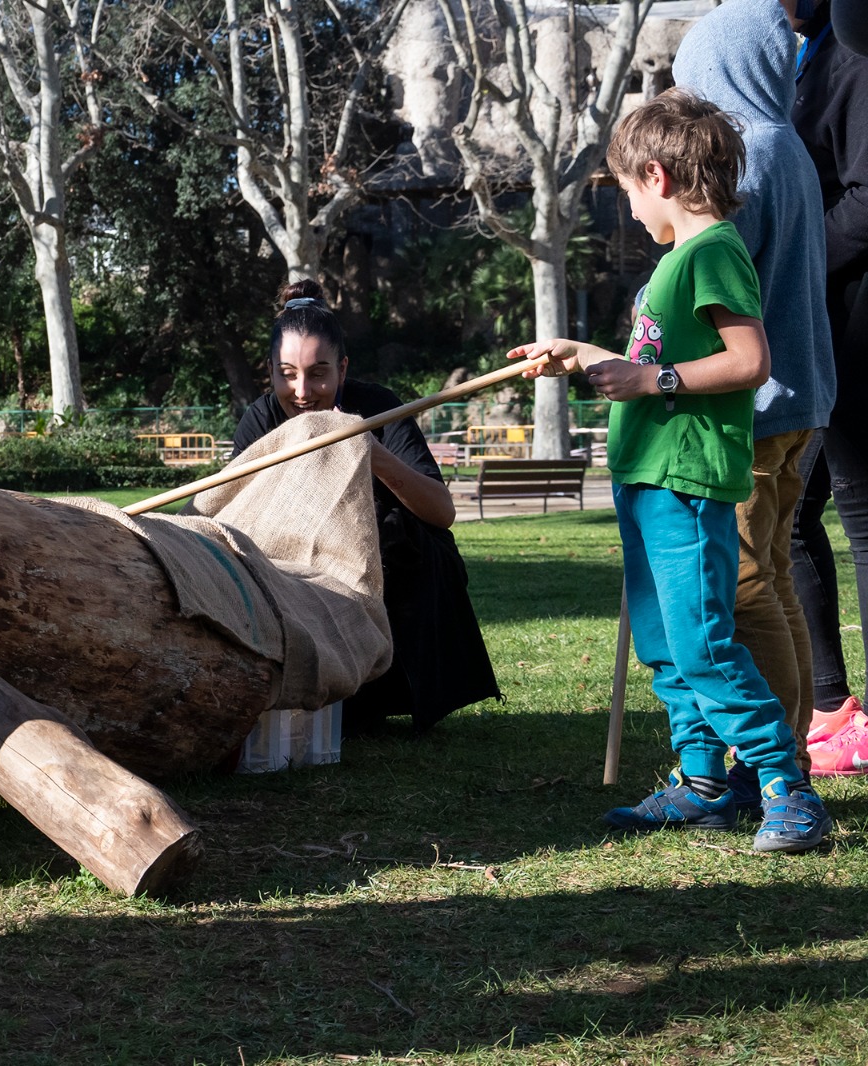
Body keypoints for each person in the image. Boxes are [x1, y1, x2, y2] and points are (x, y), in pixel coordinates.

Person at [508, 88, 830, 853]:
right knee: (664, 644)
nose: (629, 210)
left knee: (704, 645)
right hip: (650, 480)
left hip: (686, 485)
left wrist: (651, 382)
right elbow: (651, 361)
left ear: (654, 176)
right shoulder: (681, 262)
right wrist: (586, 357)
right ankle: (702, 784)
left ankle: (787, 787)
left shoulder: (712, 252)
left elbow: (749, 361)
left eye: (623, 192)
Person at [671, 0, 836, 801]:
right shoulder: (789, 147)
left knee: (741, 585)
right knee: (771, 574)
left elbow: (723, 287)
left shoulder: (753, 157)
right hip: (803, 400)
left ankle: (773, 765)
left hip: (760, 408)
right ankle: (788, 751)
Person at [233, 280, 500, 733]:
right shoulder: (260, 419)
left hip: (378, 558)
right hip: (289, 559)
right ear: (270, 373)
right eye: (287, 374)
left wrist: (372, 451)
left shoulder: (377, 407)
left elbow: (442, 512)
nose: (302, 391)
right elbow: (233, 512)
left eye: (318, 373)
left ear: (342, 368)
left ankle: (379, 693)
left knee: (409, 539)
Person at [782, 0, 868, 775]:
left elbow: (867, 199)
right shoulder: (797, 58)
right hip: (817, 326)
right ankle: (830, 701)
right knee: (797, 506)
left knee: (860, 510)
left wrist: (798, 262)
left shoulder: (857, 53)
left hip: (852, 317)